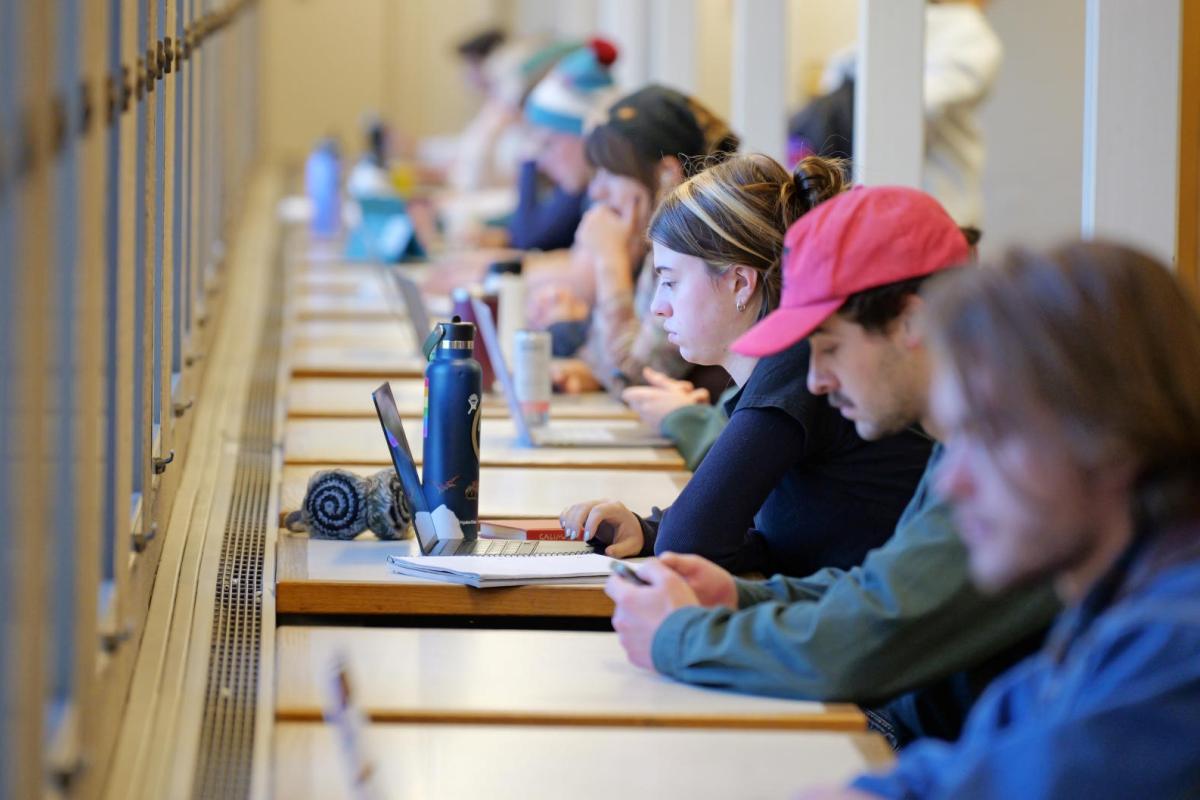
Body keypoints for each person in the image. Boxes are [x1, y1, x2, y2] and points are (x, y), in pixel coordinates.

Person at [602, 186, 1058, 745]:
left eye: (830, 347)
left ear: (909, 324)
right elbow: (877, 586)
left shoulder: (1014, 453)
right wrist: (739, 597)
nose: (814, 380)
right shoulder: (969, 433)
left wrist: (681, 637)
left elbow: (872, 636)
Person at [800, 242, 1200, 798]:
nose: (951, 482)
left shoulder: (1179, 638)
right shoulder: (1108, 606)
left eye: (990, 436)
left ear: (1113, 436)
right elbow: (1000, 746)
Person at [560, 154, 933, 580]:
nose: (660, 308)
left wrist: (666, 532)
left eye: (671, 281)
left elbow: (689, 543)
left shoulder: (795, 366)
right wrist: (648, 529)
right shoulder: (785, 368)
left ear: (740, 282)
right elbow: (777, 537)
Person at [549, 85, 740, 395]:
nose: (596, 192)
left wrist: (611, 262)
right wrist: (591, 371)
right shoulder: (663, 244)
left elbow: (631, 377)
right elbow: (612, 365)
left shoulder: (696, 248)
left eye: (610, 173)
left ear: (667, 173)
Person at [819, 0, 1002, 226]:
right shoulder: (970, 33)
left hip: (874, 199)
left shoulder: (898, 26)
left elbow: (834, 74)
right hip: (937, 205)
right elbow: (922, 107)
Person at [510, 38, 620, 251]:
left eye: (549, 144)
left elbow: (529, 239)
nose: (540, 162)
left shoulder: (612, 197)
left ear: (587, 137)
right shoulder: (587, 184)